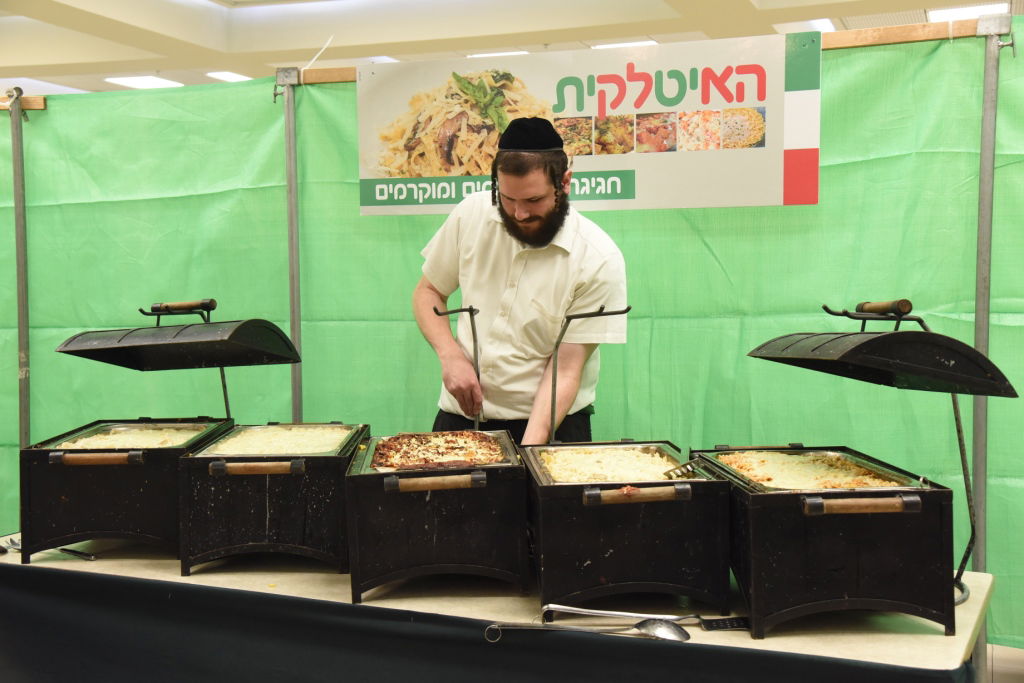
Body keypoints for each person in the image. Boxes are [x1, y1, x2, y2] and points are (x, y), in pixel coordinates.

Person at [412, 117, 627, 445]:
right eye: (508, 199)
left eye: (533, 201)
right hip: (461, 418)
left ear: (564, 183)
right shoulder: (471, 215)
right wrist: (450, 356)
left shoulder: (597, 259)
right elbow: (428, 291)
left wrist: (527, 454)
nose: (519, 214)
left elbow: (566, 370)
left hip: (551, 425)